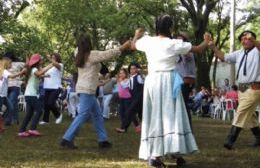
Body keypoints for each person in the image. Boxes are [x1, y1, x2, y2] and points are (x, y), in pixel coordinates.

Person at [131, 14, 211, 167]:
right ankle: (166, 153)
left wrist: (136, 35)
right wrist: (206, 41)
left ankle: (159, 154)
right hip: (168, 80)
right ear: (170, 28)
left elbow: (133, 46)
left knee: (155, 115)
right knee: (172, 115)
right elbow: (198, 49)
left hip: (153, 80)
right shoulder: (173, 43)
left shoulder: (148, 41)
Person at [60, 34, 131, 149]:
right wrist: (124, 46)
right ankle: (67, 138)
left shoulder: (78, 54)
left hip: (86, 89)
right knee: (83, 114)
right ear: (89, 44)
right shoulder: (91, 55)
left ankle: (103, 140)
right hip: (87, 90)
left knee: (97, 115)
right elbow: (108, 54)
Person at [208, 30, 260, 149]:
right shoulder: (240, 52)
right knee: (250, 114)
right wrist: (213, 47)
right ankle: (259, 137)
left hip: (255, 87)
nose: (244, 40)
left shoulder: (257, 50)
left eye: (247, 38)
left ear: (253, 40)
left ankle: (230, 140)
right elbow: (224, 57)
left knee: (241, 112)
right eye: (242, 38)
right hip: (242, 87)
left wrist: (254, 40)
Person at [18, 54, 53, 137]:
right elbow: (39, 73)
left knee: (29, 114)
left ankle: (22, 131)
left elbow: (39, 75)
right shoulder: (34, 69)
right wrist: (51, 65)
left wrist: (45, 76)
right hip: (31, 95)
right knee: (39, 110)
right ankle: (32, 129)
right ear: (37, 61)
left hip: (29, 94)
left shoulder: (33, 70)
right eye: (41, 60)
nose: (42, 61)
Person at [175, 32, 196, 129]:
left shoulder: (188, 53)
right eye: (177, 40)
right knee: (179, 104)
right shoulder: (176, 54)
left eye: (181, 40)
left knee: (183, 104)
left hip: (186, 82)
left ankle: (188, 128)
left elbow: (186, 54)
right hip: (178, 82)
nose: (178, 42)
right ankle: (182, 127)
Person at [115, 62, 143, 133]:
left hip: (139, 98)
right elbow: (125, 86)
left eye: (134, 69)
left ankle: (123, 128)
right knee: (135, 114)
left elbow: (144, 82)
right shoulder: (130, 78)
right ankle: (125, 128)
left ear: (137, 69)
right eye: (131, 69)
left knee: (129, 112)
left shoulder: (139, 77)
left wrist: (141, 73)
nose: (132, 70)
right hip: (133, 98)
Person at [0, 57, 25, 128]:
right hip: (1, 95)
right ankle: (1, 125)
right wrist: (22, 72)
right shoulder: (4, 71)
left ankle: (3, 121)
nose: (11, 64)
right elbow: (12, 76)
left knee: (10, 107)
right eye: (10, 63)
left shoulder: (3, 71)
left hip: (3, 95)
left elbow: (13, 77)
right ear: (7, 64)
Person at [40, 53, 63, 125]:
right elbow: (42, 71)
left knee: (50, 103)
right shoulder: (50, 66)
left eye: (54, 58)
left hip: (56, 87)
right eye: (52, 57)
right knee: (46, 104)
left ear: (57, 58)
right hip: (47, 87)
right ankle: (45, 120)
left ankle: (58, 115)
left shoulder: (60, 65)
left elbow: (56, 65)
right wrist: (39, 63)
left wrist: (50, 59)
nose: (53, 59)